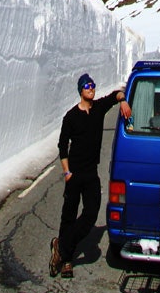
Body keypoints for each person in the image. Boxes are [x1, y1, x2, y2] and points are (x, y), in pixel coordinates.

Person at [49, 73, 132, 279]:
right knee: (68, 215)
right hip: (74, 174)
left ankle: (61, 245)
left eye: (93, 85)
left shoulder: (98, 109)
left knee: (91, 214)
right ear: (80, 90)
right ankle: (67, 260)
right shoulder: (70, 117)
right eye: (87, 86)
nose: (91, 88)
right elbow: (62, 146)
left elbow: (116, 94)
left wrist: (122, 101)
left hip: (91, 173)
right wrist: (67, 172)